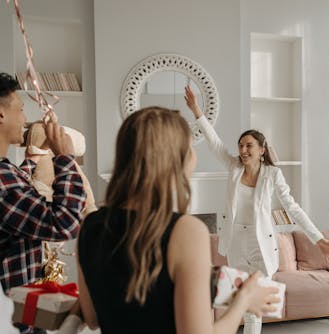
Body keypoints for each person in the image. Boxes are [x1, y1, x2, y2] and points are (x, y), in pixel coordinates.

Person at [76, 107, 279, 334]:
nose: (194, 155)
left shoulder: (89, 226)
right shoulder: (186, 231)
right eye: (190, 147)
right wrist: (243, 299)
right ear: (174, 158)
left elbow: (92, 317)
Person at [185, 85, 329, 334]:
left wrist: (319, 239)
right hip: (236, 241)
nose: (243, 150)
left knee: (253, 306)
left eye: (249, 146)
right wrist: (196, 111)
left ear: (261, 150)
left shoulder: (273, 175)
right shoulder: (234, 167)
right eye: (240, 146)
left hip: (261, 243)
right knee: (238, 300)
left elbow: (293, 208)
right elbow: (215, 143)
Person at [0, 72, 86, 334]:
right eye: (21, 109)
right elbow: (64, 224)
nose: (25, 119)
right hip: (14, 325)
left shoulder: (7, 174)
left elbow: (19, 197)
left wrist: (33, 158)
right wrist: (65, 158)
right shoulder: (3, 181)